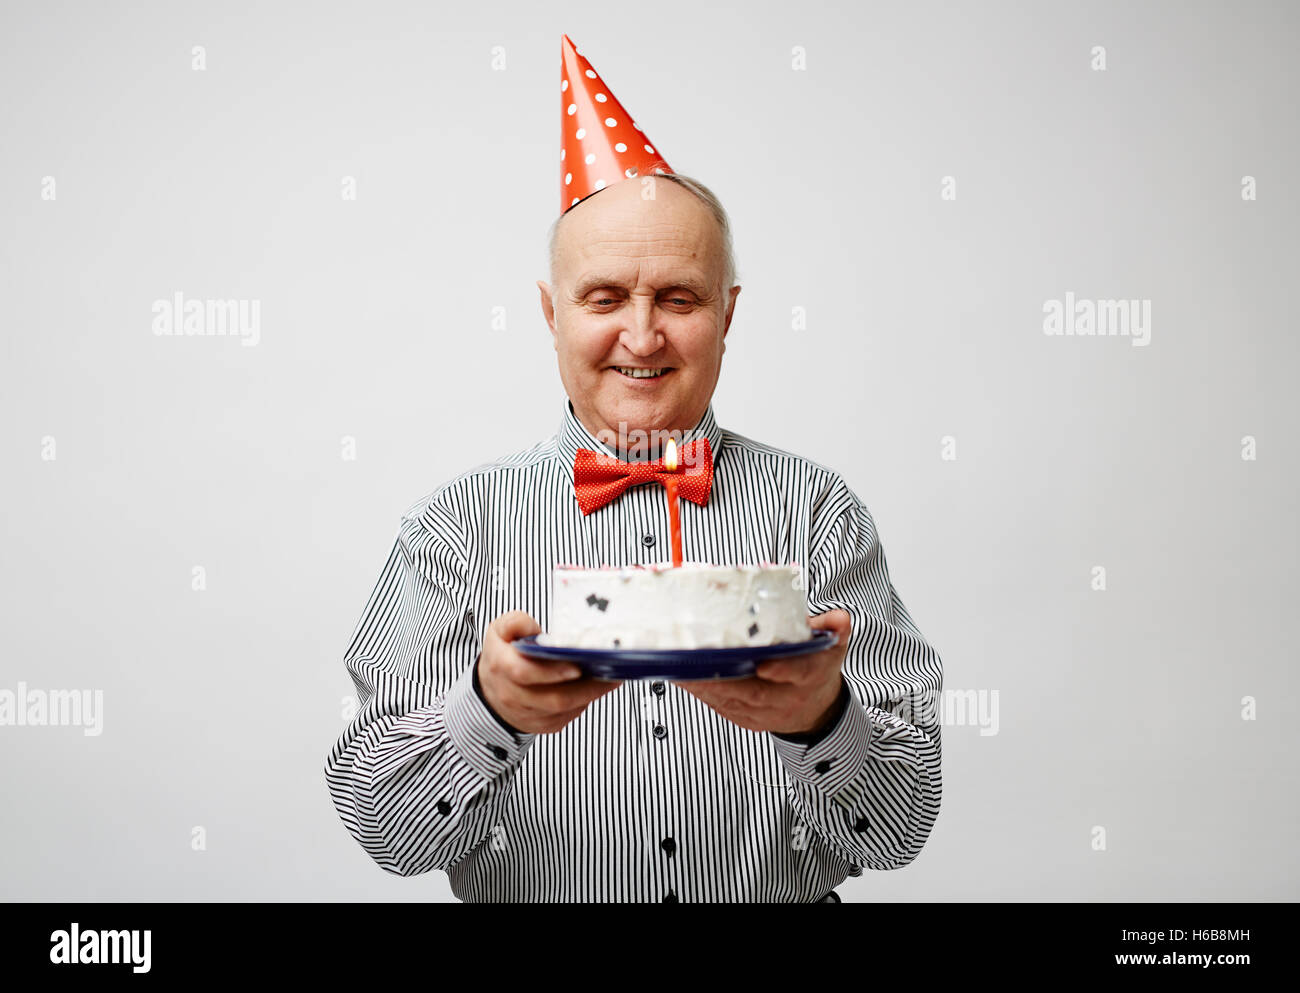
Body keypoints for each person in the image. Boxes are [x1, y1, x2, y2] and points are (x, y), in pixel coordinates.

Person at [323, 36, 943, 903]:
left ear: (728, 316)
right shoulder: (453, 528)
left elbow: (908, 821)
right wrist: (488, 712)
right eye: (606, 297)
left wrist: (822, 718)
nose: (644, 336)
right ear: (552, 313)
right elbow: (380, 825)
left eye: (679, 299)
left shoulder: (820, 512)